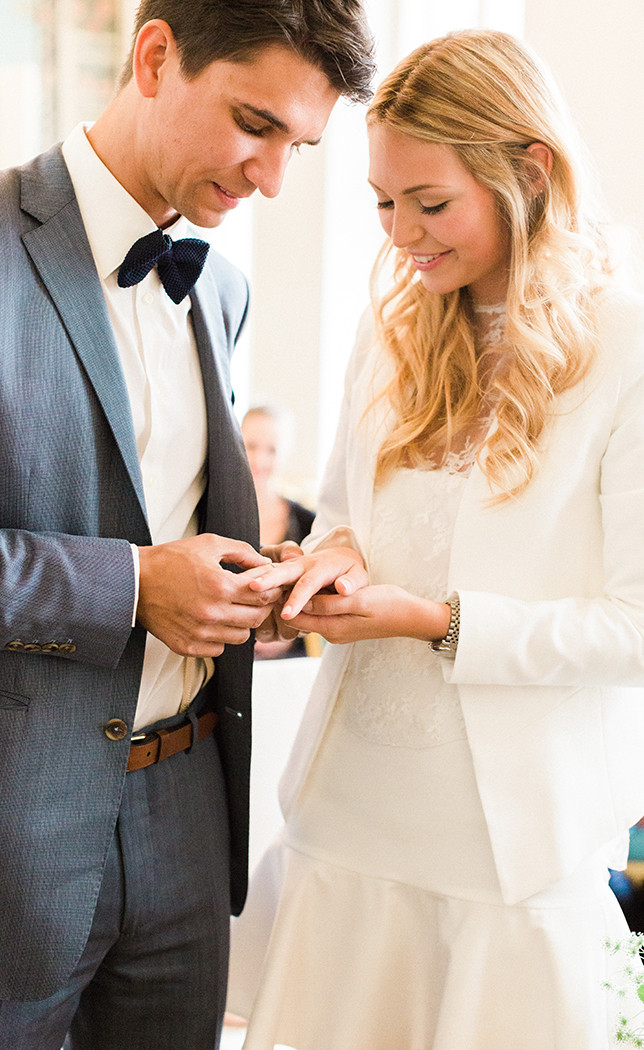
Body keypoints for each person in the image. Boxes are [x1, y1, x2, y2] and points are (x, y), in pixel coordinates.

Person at [0, 2, 375, 1048]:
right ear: (154, 56)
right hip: (4, 837)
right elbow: (136, 563)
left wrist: (258, 580)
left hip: (190, 813)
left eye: (299, 148)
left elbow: (160, 511)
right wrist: (134, 588)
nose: (271, 178)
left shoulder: (219, 290)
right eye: (254, 124)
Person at [227, 28, 644, 1049]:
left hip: (507, 851)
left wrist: (435, 622)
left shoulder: (622, 344)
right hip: (348, 821)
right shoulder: (393, 327)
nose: (401, 236)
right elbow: (341, 520)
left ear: (528, 170)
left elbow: (632, 626)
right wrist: (330, 563)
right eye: (380, 200)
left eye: (429, 203)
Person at [241, 406, 315, 658]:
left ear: (286, 454)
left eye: (271, 450)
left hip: (287, 665)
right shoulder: (211, 516)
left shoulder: (309, 523)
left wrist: (288, 635)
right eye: (250, 446)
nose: (259, 460)